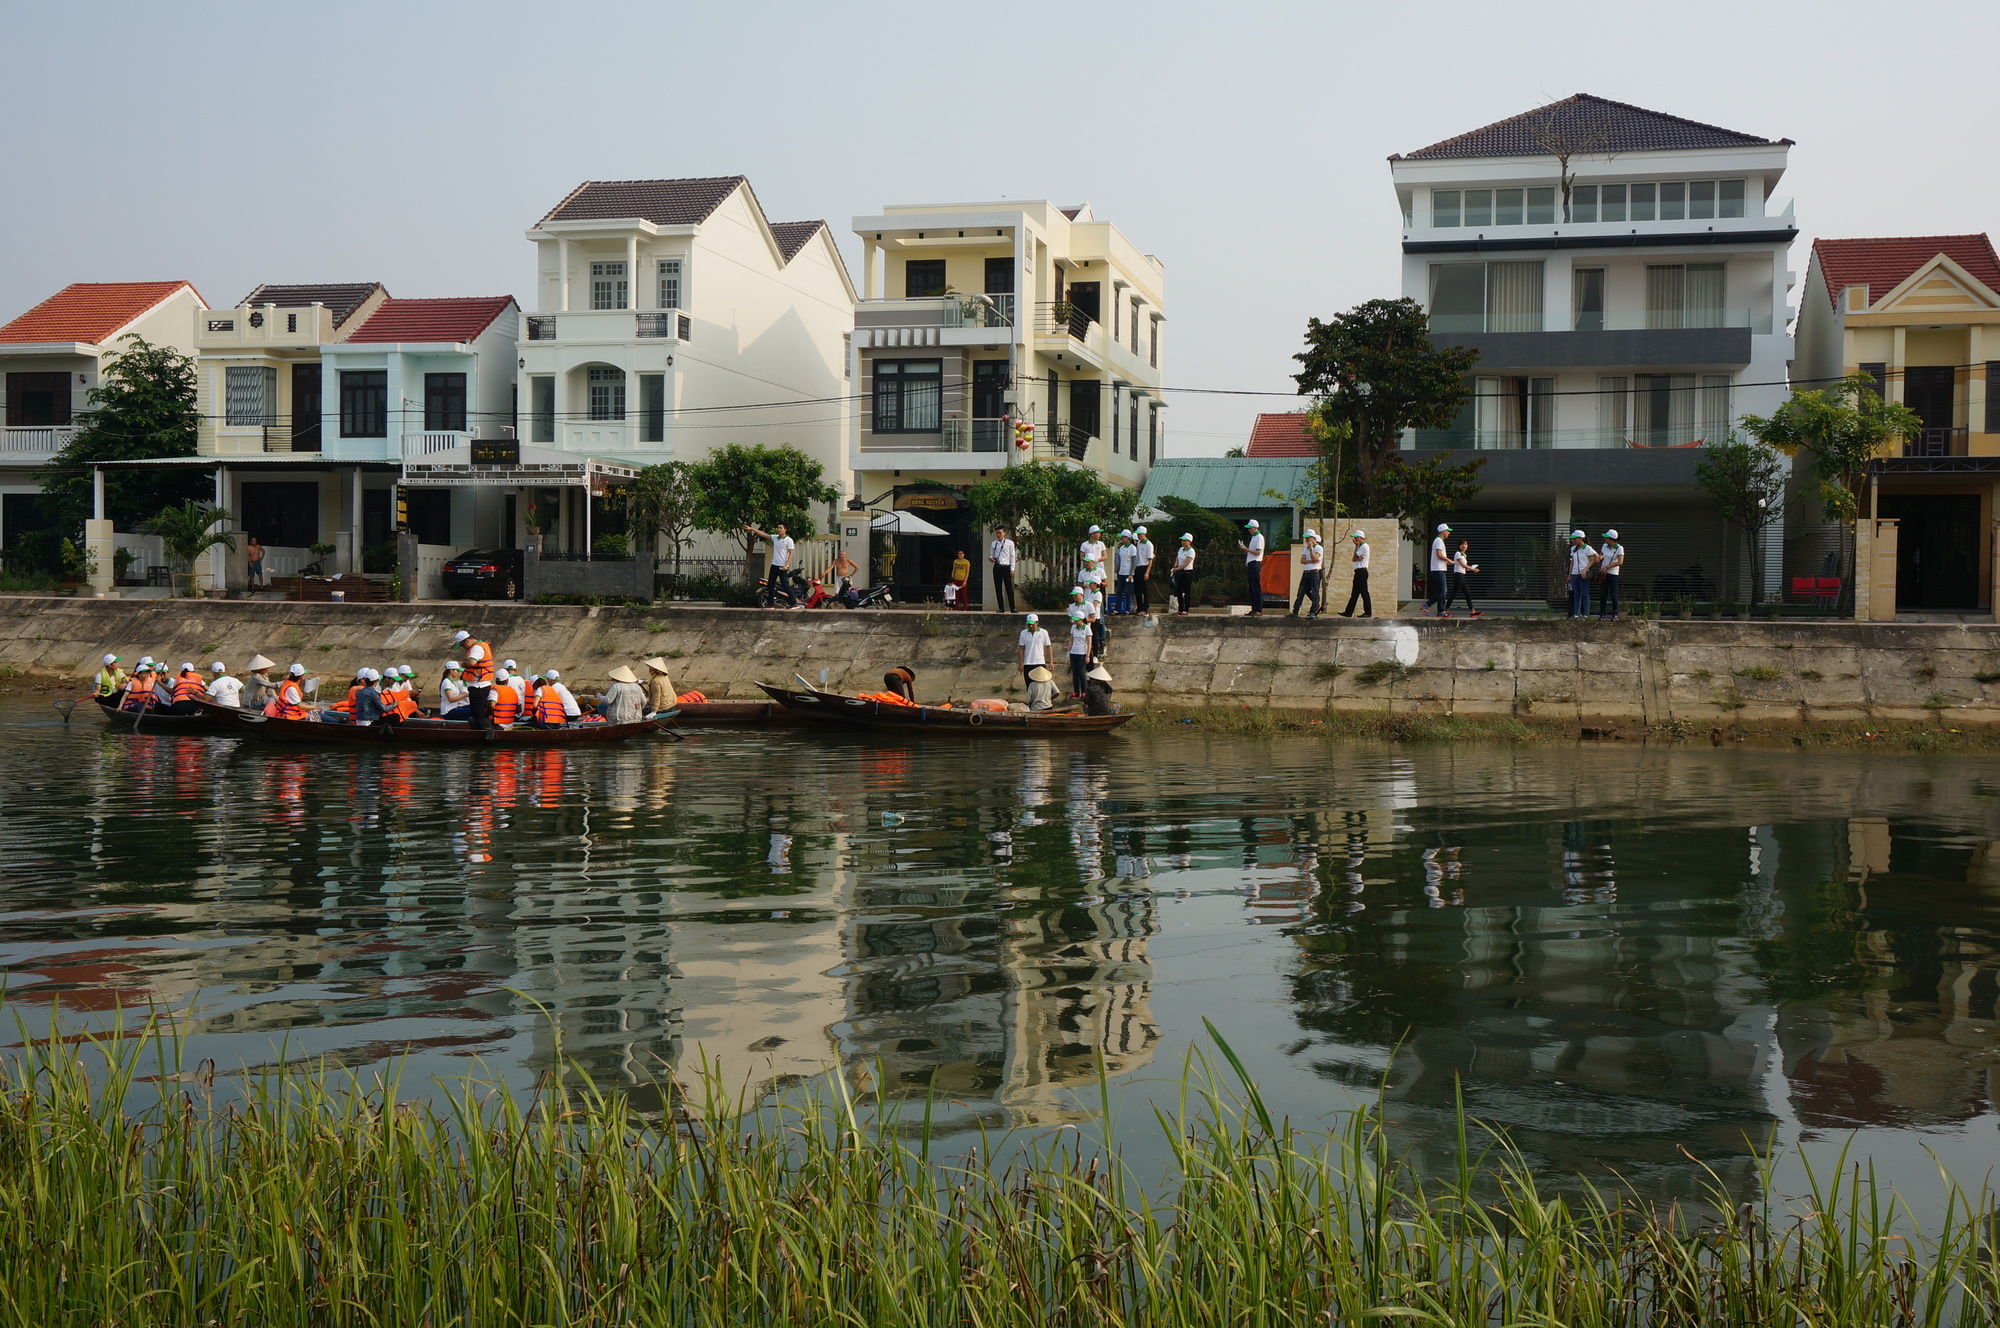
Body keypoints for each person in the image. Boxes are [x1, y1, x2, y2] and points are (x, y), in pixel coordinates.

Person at [745, 522, 800, 606]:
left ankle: (794, 604)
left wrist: (786, 564)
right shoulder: (775, 538)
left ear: (785, 529)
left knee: (785, 586)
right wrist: (752, 529)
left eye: (780, 528)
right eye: (777, 528)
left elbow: (791, 553)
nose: (778, 529)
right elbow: (763, 534)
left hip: (782, 566)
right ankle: (770, 605)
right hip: (774, 565)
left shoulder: (789, 540)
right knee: (770, 585)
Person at [452, 629, 496, 730]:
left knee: (477, 712)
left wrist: (462, 664)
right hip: (481, 684)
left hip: (479, 685)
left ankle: (483, 731)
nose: (463, 648)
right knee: (477, 712)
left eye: (462, 645)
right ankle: (481, 729)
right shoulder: (481, 646)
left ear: (467, 641)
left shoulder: (476, 648)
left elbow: (471, 663)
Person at [1290, 530, 1324, 618]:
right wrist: (1311, 561)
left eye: (1308, 538)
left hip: (1314, 573)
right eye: (1306, 538)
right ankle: (1295, 611)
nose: (1306, 539)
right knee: (1301, 592)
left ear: (1313, 538)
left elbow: (1315, 557)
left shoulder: (1319, 548)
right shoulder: (1305, 549)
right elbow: (1302, 560)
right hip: (1306, 572)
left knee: (1314, 592)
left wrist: (1311, 548)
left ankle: (1313, 611)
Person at [1564, 530, 1599, 619]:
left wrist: (1585, 570)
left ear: (1581, 538)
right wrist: (1569, 574)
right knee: (1576, 594)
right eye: (1573, 539)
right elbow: (1572, 562)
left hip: (1584, 574)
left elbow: (1592, 560)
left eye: (1575, 539)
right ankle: (1576, 614)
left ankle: (1585, 614)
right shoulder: (1573, 548)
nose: (1573, 540)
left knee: (1584, 594)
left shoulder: (1588, 548)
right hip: (1574, 574)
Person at [1339, 530, 1372, 618]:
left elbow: (1353, 558)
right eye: (1355, 537)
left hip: (1362, 571)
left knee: (1364, 592)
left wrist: (1356, 549)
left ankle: (1368, 612)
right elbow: (1354, 558)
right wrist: (1356, 547)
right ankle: (1348, 612)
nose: (1355, 539)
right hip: (1358, 572)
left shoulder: (1364, 546)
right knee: (1355, 593)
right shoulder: (1359, 546)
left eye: (1357, 537)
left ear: (1362, 538)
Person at [1446, 540, 1483, 619]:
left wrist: (1471, 568)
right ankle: (1445, 610)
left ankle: (1472, 612)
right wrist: (1473, 570)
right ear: (1459, 546)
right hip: (1458, 576)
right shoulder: (1458, 553)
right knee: (1454, 593)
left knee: (1467, 594)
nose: (1464, 546)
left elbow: (1465, 567)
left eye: (1466, 544)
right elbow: (1463, 565)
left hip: (1462, 575)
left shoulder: (1464, 555)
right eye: (1462, 544)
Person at [1017, 612, 1052, 690]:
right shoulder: (1023, 633)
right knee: (1029, 685)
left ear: (1037, 623)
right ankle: (1030, 701)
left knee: (1041, 686)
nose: (1031, 626)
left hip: (1040, 663)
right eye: (1029, 624)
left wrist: (1051, 662)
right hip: (1028, 663)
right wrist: (1020, 663)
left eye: (1032, 624)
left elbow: (1048, 647)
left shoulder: (1044, 632)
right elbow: (1021, 649)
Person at [1596, 529, 1625, 621]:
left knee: (1613, 594)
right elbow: (1602, 555)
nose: (1605, 539)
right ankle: (1602, 614)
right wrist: (1599, 558)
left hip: (1613, 574)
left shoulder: (1619, 548)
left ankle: (1615, 614)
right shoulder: (1605, 546)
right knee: (1603, 594)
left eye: (1606, 538)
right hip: (1603, 573)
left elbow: (1620, 562)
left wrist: (1607, 567)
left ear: (1612, 539)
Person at [1425, 523, 1453, 616]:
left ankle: (1441, 611)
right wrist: (1448, 560)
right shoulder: (1438, 541)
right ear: (1443, 531)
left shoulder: (1439, 541)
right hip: (1438, 569)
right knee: (1442, 591)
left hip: (1440, 568)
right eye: (1448, 531)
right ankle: (1427, 604)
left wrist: (1447, 562)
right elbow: (1439, 555)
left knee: (1442, 591)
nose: (1449, 533)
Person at [1238, 519, 1266, 614]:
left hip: (1255, 563)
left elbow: (1258, 552)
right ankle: (1254, 609)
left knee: (1256, 587)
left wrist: (1246, 549)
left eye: (1250, 528)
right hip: (1251, 563)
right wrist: (1245, 549)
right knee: (1252, 587)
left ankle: (1258, 609)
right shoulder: (1254, 537)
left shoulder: (1259, 537)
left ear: (1255, 527)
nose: (1249, 530)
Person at [1065, 609, 1094, 699]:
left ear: (1081, 619)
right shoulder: (1073, 627)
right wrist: (1068, 651)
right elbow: (1071, 640)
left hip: (1082, 653)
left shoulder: (1087, 628)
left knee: (1082, 673)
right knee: (1075, 674)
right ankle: (1077, 692)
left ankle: (1084, 692)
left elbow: (1089, 643)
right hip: (1074, 653)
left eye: (1077, 619)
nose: (1075, 621)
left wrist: (1088, 655)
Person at [988, 527, 1018, 613]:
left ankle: (1012, 608)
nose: (998, 535)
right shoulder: (994, 543)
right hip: (997, 566)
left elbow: (1012, 556)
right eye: (997, 533)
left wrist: (1012, 569)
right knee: (998, 588)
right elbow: (991, 555)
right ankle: (1001, 608)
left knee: (1009, 588)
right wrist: (991, 558)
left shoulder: (1010, 543)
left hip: (1006, 566)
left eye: (1000, 533)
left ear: (1004, 533)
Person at [1113, 530, 1137, 615]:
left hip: (1128, 573)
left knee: (1128, 592)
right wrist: (1116, 571)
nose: (1122, 538)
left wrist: (1131, 574)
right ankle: (1117, 609)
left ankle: (1127, 609)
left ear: (1128, 538)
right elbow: (1119, 561)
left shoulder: (1133, 548)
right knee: (1119, 591)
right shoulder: (1121, 548)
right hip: (1121, 572)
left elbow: (1134, 562)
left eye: (1124, 537)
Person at [1132, 526, 1156, 614]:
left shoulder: (1149, 544)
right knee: (1137, 589)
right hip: (1138, 567)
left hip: (1144, 567)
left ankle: (1145, 608)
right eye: (1137, 534)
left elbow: (1150, 560)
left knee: (1144, 589)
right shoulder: (1139, 543)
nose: (1138, 536)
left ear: (1144, 534)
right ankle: (1139, 607)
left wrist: (1147, 572)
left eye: (1140, 534)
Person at [1172, 533, 1196, 615]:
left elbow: (1186, 563)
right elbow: (1178, 559)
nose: (1182, 542)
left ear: (1189, 541)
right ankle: (1180, 608)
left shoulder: (1191, 551)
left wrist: (1177, 568)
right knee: (1179, 591)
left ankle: (1186, 609)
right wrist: (1175, 567)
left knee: (1187, 592)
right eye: (1182, 540)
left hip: (1187, 572)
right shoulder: (1181, 549)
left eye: (1185, 540)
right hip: (1179, 572)